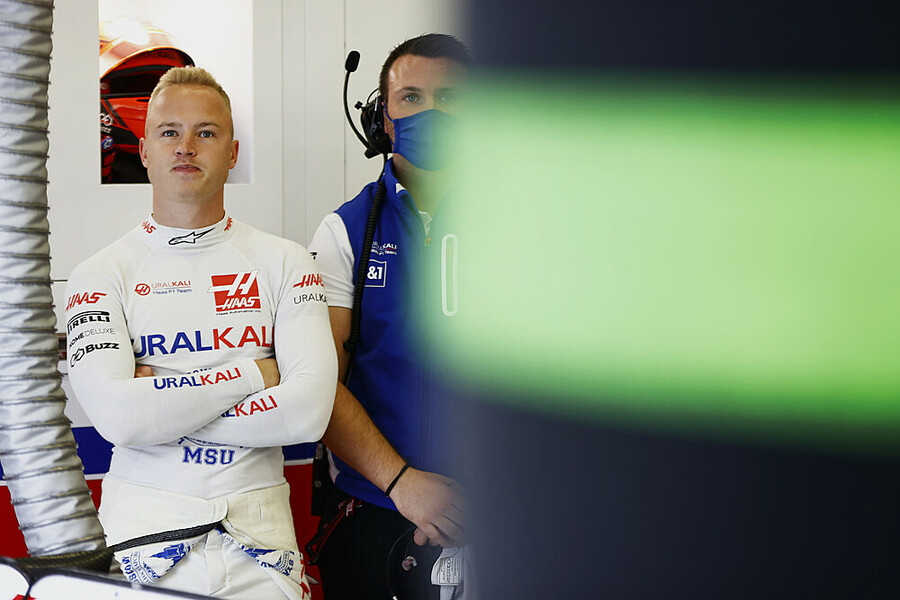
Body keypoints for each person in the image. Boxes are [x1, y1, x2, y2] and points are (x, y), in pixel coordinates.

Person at [65, 66, 337, 600]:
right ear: (144, 151)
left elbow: (307, 414)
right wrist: (253, 374)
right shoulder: (98, 274)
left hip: (262, 549)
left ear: (232, 153)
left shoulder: (286, 263)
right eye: (169, 131)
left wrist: (159, 407)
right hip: (141, 547)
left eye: (205, 132)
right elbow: (119, 419)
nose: (185, 146)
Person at [308, 33, 472, 599]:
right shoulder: (343, 231)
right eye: (412, 97)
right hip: (374, 508)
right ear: (383, 119)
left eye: (450, 98)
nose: (431, 112)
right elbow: (319, 384)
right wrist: (403, 484)